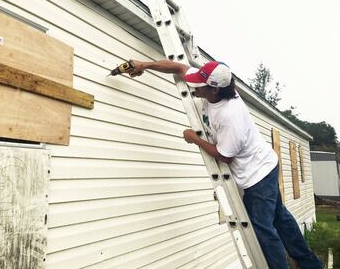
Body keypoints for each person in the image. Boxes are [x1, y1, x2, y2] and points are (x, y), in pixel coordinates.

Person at [126, 59, 322, 269]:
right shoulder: (212, 84)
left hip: (258, 175)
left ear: (215, 91)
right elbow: (179, 68)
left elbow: (225, 156)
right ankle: (310, 264)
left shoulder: (230, 116)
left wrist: (195, 139)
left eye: (199, 85)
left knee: (262, 229)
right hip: (266, 163)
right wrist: (144, 65)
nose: (193, 85)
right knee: (279, 217)